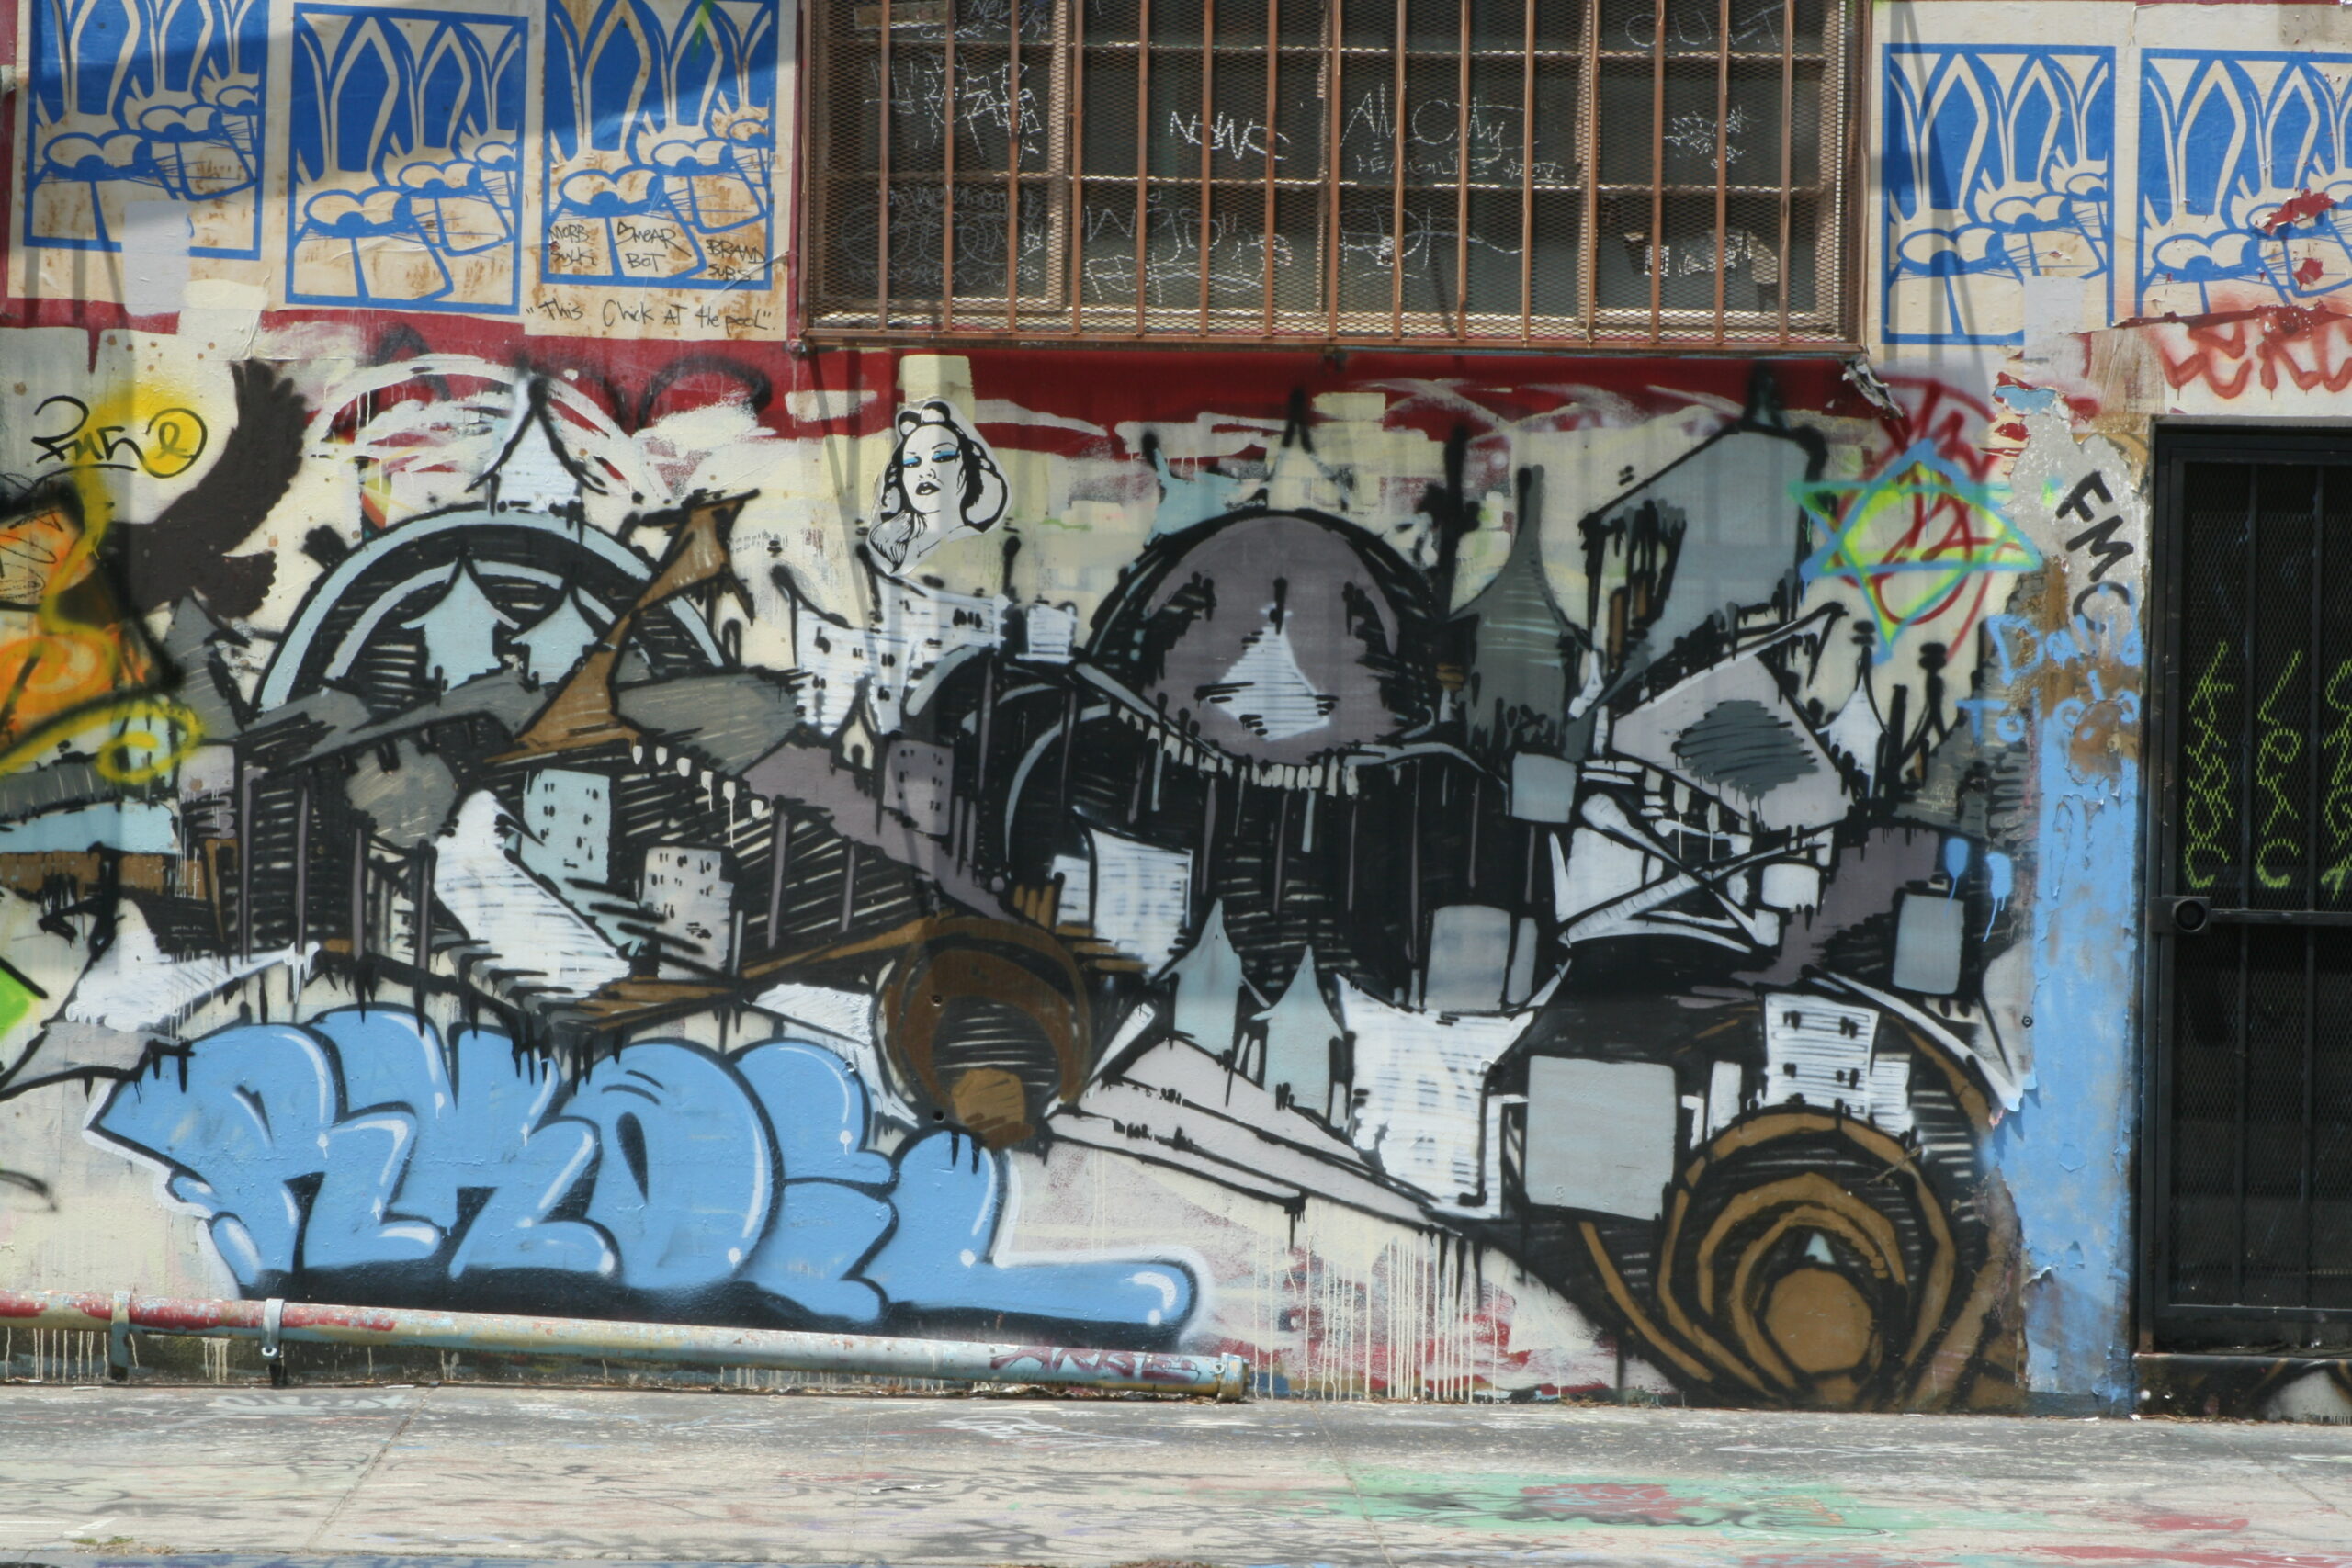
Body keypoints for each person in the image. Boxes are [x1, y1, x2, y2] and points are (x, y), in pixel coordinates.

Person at [868, 399, 1007, 571]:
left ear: (968, 467)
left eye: (942, 458)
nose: (925, 472)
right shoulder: (889, 544)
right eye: (911, 463)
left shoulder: (969, 542)